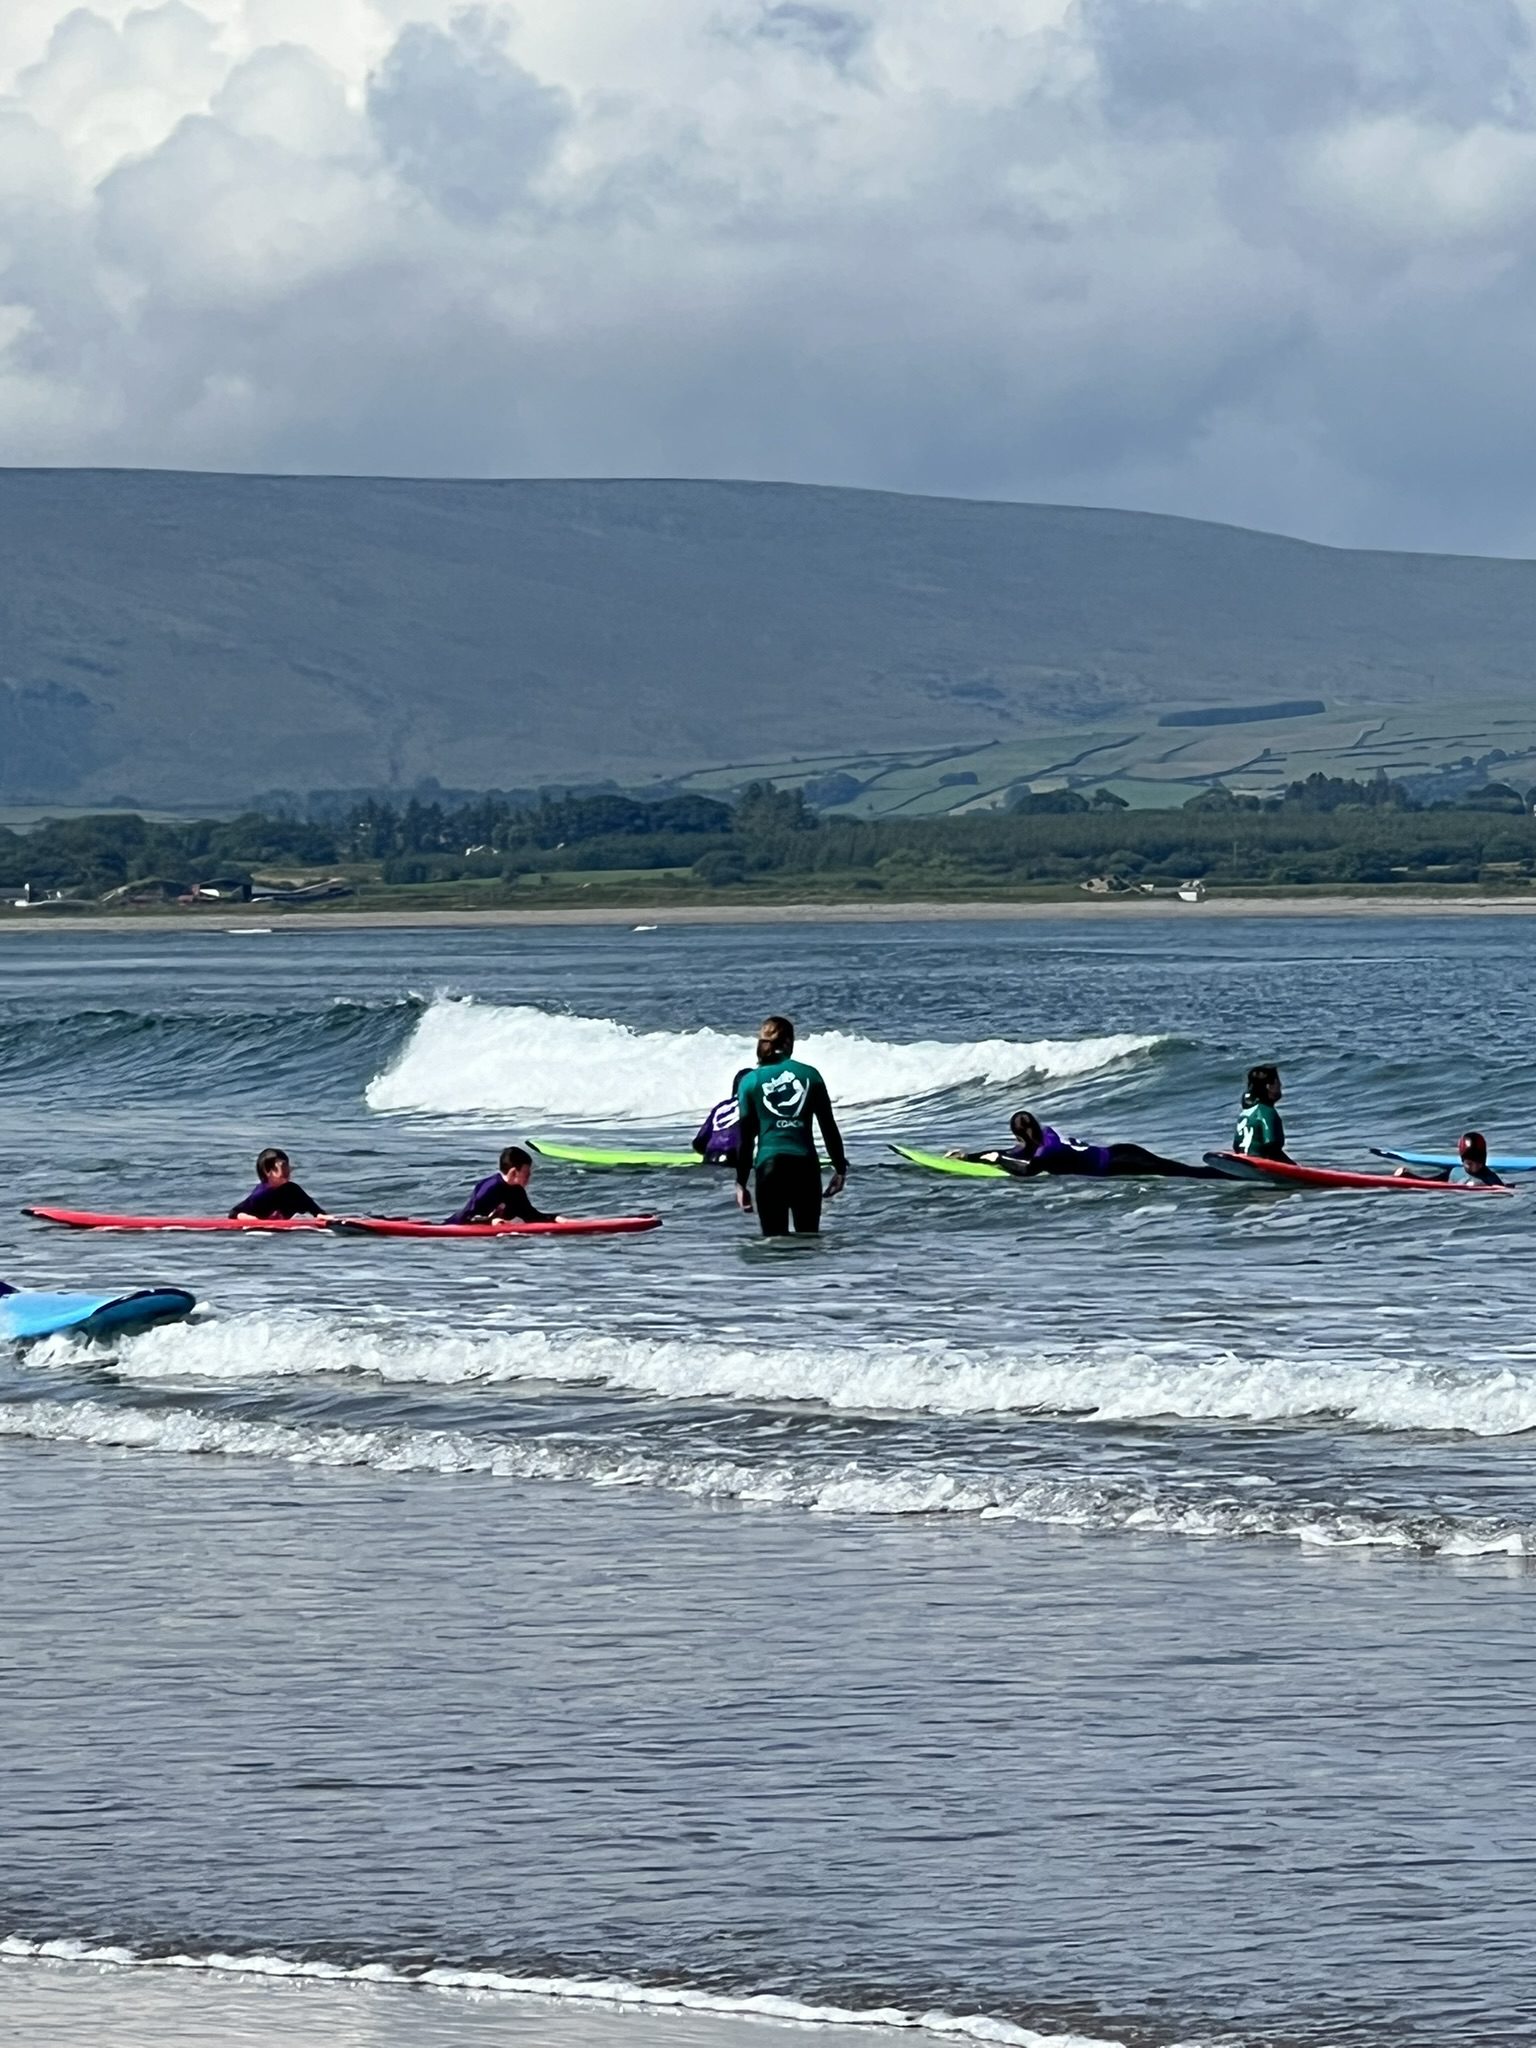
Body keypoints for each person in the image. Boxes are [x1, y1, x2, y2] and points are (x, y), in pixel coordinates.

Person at [735, 1015, 848, 1236]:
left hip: (769, 1167)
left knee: (774, 1244)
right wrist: (840, 1169)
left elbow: (746, 1138)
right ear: (788, 1043)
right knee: (808, 1240)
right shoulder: (810, 1075)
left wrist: (741, 1182)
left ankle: (781, 1273)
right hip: (805, 1168)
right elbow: (828, 1126)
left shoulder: (750, 1081)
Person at [962, 1110, 1218, 1180]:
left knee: (1186, 1173)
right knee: (1179, 1169)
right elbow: (1015, 1152)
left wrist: (998, 1160)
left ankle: (1229, 1176)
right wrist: (969, 1157)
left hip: (1121, 1161)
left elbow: (1027, 1171)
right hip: (1120, 1151)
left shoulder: (1046, 1152)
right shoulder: (1047, 1135)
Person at [449, 1145, 560, 1224]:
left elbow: (531, 1216)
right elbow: (469, 1216)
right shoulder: (490, 1187)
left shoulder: (517, 1191)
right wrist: (491, 1221)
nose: (529, 1178)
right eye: (526, 1174)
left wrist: (558, 1219)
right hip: (454, 1229)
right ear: (513, 1172)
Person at [231, 1148, 328, 1220]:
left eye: (288, 1166)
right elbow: (234, 1213)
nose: (288, 1170)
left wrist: (326, 1218)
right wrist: (251, 1219)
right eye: (283, 1166)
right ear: (267, 1171)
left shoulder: (293, 1190)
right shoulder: (261, 1195)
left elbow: (316, 1211)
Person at [1398, 1131, 1505, 1187]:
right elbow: (1430, 1182)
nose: (1475, 1167)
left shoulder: (1489, 1178)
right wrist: (1408, 1176)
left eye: (1479, 1163)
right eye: (1470, 1163)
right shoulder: (1454, 1172)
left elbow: (1501, 1190)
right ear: (1462, 1160)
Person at [692, 1070, 750, 1166]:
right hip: (734, 1159)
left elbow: (699, 1142)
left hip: (710, 1157)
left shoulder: (722, 1107)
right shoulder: (759, 1106)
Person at [1232, 1064, 1288, 1160]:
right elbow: (1272, 1146)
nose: (1281, 1085)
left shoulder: (1244, 1114)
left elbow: (1236, 1145)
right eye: (1277, 1082)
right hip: (1260, 1162)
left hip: (1242, 1159)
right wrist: (1298, 1169)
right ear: (1268, 1086)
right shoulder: (1267, 1113)